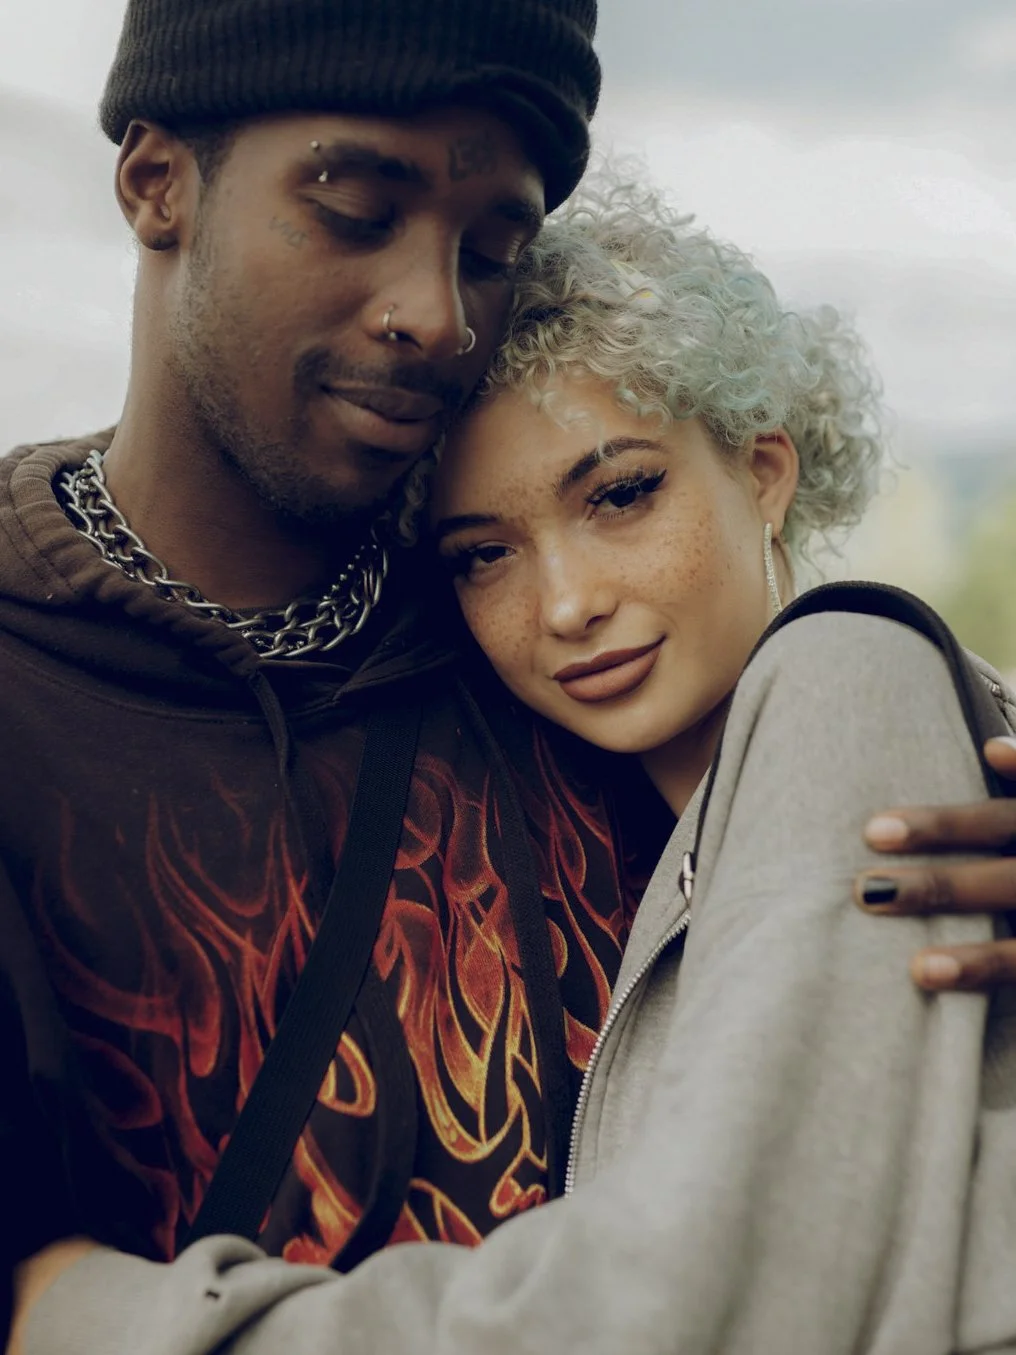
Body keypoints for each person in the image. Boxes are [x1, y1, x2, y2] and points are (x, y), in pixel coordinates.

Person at [4, 1, 1016, 1352]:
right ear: (155, 182)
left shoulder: (565, 668)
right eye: (358, 208)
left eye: (494, 251)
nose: (437, 313)